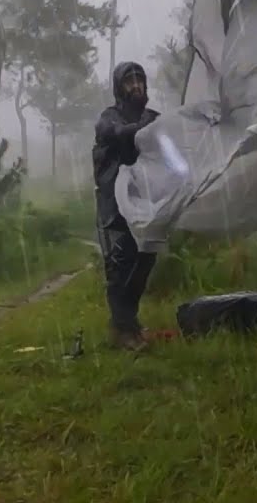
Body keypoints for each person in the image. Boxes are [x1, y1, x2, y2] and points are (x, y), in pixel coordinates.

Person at [92, 61, 160, 351]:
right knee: (120, 264)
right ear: (120, 87)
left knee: (145, 259)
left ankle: (129, 322)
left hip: (146, 201)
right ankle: (122, 331)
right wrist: (147, 128)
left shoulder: (154, 117)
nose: (136, 85)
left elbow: (172, 149)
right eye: (129, 81)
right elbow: (120, 134)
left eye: (139, 80)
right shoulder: (109, 117)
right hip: (114, 205)